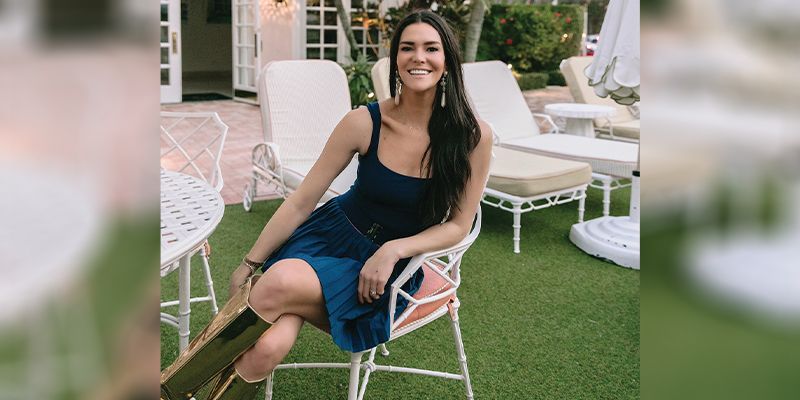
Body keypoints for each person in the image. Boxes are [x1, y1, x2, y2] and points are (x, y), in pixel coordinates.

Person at [160, 10, 492, 400]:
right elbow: (302, 200)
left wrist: (393, 249)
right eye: (408, 48)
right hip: (326, 236)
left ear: (448, 60)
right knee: (267, 347)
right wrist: (248, 264)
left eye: (431, 48)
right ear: (395, 59)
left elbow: (458, 225)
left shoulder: (472, 136)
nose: (419, 57)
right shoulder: (364, 122)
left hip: (386, 271)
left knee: (277, 287)